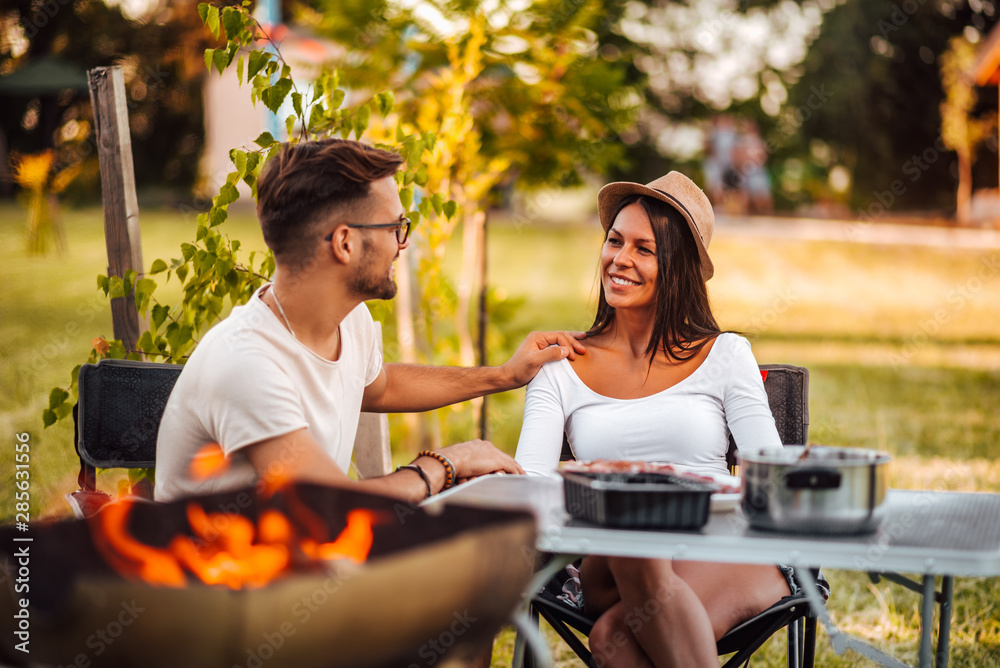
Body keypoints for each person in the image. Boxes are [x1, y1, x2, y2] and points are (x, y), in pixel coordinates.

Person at [154, 138, 586, 504]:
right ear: (344, 242)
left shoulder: (350, 320)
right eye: (396, 226)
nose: (403, 243)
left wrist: (502, 375)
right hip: (217, 594)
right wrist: (443, 466)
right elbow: (329, 506)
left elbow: (383, 387)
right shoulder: (245, 362)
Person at [514, 172, 812, 667]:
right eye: (614, 241)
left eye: (644, 249)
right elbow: (532, 487)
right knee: (630, 530)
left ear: (678, 268)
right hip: (610, 559)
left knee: (614, 639)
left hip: (722, 545)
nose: (620, 259)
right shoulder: (561, 364)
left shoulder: (725, 354)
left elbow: (771, 477)